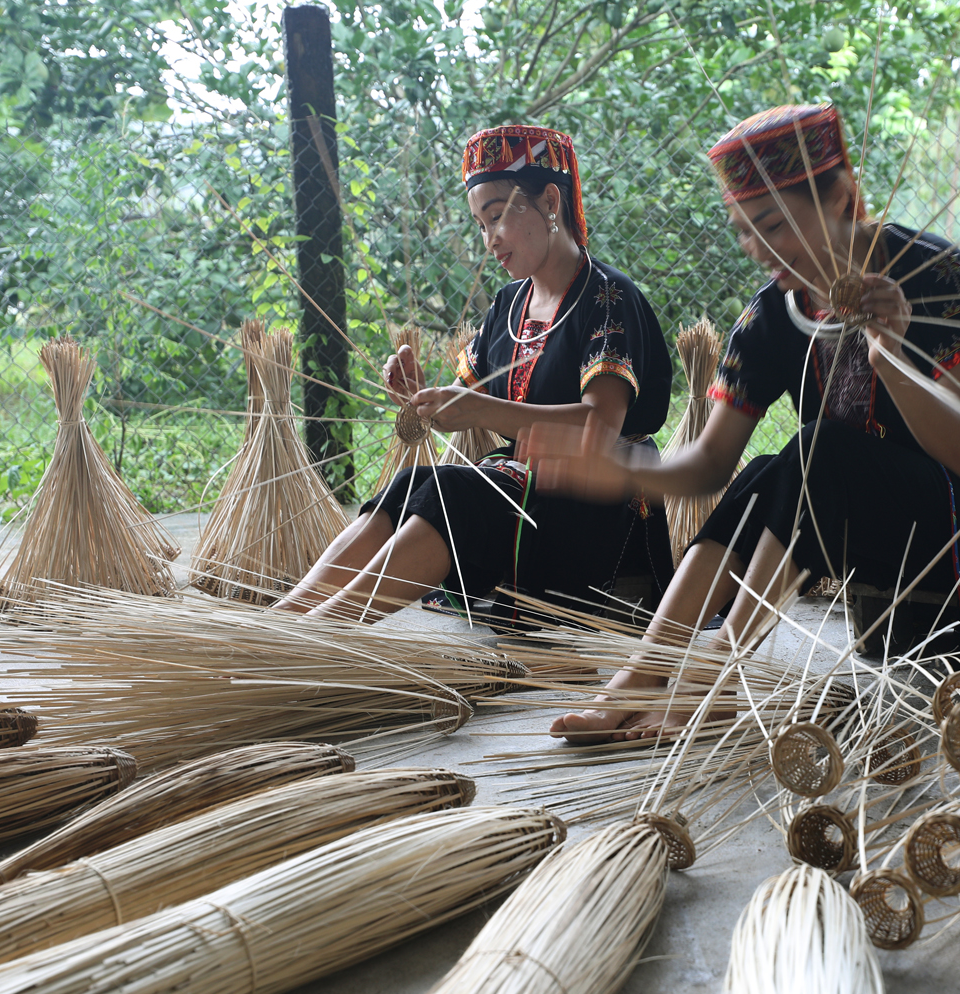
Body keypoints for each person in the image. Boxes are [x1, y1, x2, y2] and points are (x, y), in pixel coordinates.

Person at [520, 104, 960, 742]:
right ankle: (646, 672)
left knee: (821, 449)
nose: (759, 249)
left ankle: (714, 671)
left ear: (842, 196)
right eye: (744, 230)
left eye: (775, 225)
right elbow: (709, 464)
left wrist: (888, 356)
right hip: (858, 518)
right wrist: (622, 468)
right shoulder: (770, 316)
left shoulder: (933, 272)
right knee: (766, 470)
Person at [275, 124, 674, 624]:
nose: (489, 241)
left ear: (550, 201)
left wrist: (479, 407)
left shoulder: (608, 298)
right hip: (529, 490)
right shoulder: (509, 305)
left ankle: (322, 634)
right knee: (412, 485)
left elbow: (602, 425)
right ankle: (282, 622)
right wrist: (421, 393)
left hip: (598, 500)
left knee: (459, 494)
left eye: (497, 218)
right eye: (480, 226)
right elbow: (465, 400)